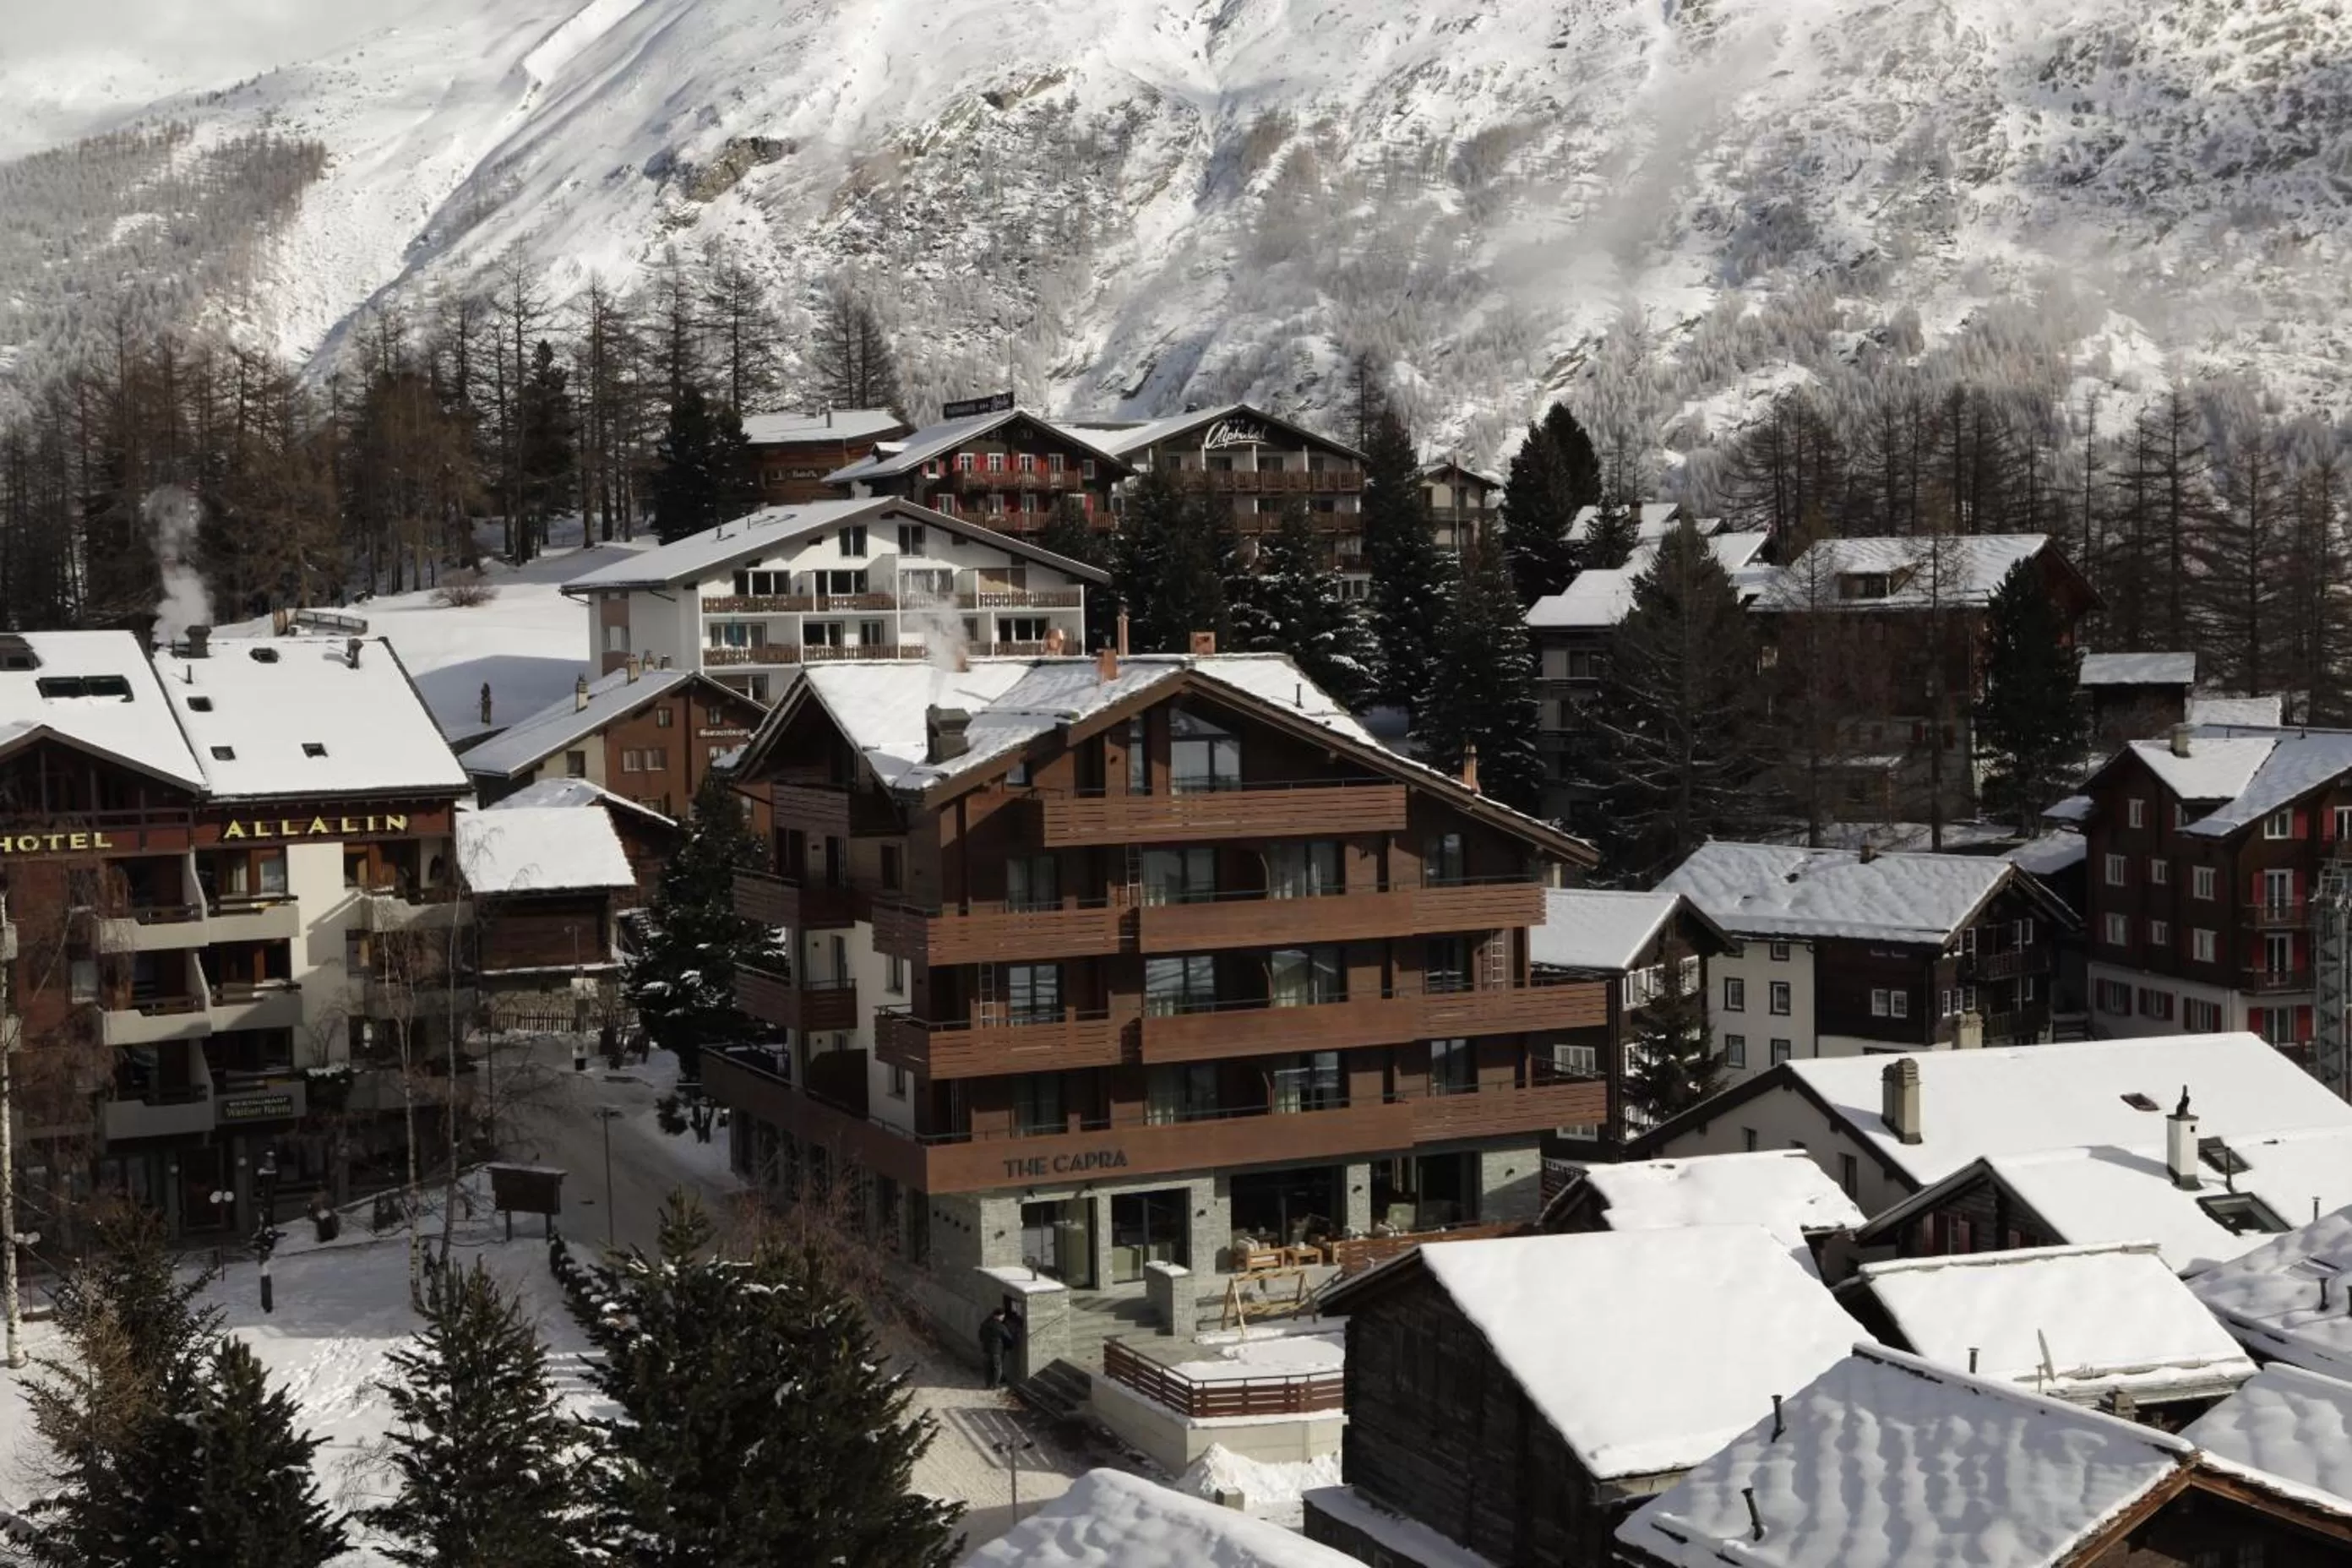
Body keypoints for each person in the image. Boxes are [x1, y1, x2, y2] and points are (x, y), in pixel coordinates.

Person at [979, 1304, 1019, 1391]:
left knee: (987, 1368)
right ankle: (995, 1385)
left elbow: (980, 1335)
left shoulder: (985, 1324)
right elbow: (1007, 1338)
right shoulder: (1000, 1326)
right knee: (997, 1368)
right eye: (1002, 1317)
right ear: (999, 1316)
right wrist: (1010, 1346)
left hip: (986, 1349)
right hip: (996, 1351)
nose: (1003, 1318)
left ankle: (988, 1385)